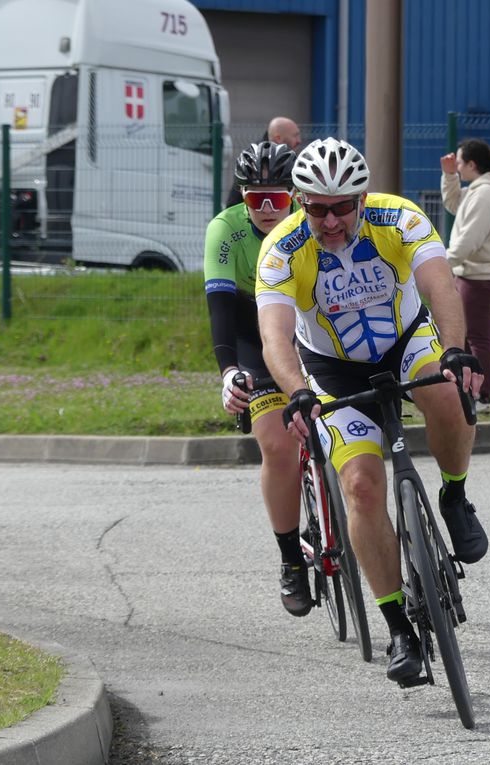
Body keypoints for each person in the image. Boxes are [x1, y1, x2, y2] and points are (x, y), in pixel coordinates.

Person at [256, 137, 488, 684]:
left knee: (447, 395)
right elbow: (275, 337)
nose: (331, 219)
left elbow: (440, 285)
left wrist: (454, 349)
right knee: (360, 485)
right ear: (300, 201)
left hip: (404, 342)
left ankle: (454, 495)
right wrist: (297, 391)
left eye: (342, 206)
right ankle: (398, 629)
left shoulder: (399, 218)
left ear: (362, 198)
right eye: (317, 207)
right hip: (332, 369)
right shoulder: (283, 250)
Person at [204, 140, 314, 618]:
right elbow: (221, 308)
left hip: (311, 329)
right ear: (241, 197)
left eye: (279, 198)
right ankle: (292, 560)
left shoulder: (314, 222)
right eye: (255, 199)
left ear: (295, 195)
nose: (268, 209)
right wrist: (228, 369)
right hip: (254, 335)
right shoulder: (225, 231)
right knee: (276, 443)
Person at [440, 139, 490, 412]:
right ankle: (466, 389)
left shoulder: (486, 194)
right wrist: (449, 176)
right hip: (474, 270)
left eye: (460, 164)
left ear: (472, 165)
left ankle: (482, 396)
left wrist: (443, 263)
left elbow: (470, 237)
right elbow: (454, 204)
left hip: (483, 274)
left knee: (477, 336)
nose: (458, 167)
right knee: (463, 335)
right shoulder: (479, 189)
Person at [225, 117, 302, 207]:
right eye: (295, 136)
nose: (299, 141)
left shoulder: (292, 158)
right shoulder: (252, 160)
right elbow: (235, 201)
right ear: (278, 138)